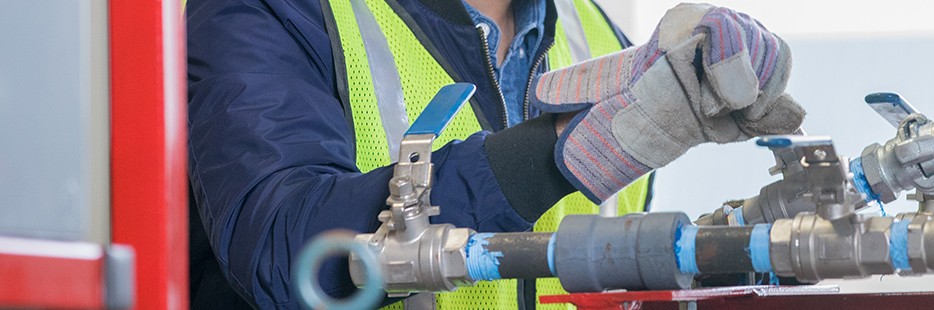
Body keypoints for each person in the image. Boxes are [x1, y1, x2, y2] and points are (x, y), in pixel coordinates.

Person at [185, 0, 801, 308]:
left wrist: (736, 255)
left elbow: (604, 282)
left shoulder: (599, 34)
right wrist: (555, 152)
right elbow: (282, 250)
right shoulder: (281, 10)